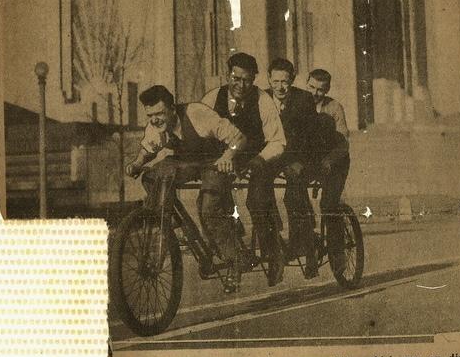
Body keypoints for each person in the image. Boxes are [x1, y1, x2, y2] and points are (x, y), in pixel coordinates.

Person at [125, 85, 247, 292]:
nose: (155, 120)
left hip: (214, 161)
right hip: (186, 162)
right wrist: (137, 164)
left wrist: (227, 157)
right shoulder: (155, 126)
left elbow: (239, 139)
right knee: (152, 177)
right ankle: (174, 224)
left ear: (172, 109)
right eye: (150, 115)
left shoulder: (197, 114)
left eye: (160, 114)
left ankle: (235, 260)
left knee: (208, 209)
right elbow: (148, 149)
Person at [202, 52, 286, 287]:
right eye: (235, 78)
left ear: (255, 79)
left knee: (257, 202)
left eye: (246, 80)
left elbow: (278, 141)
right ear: (227, 75)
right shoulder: (211, 98)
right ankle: (234, 257)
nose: (240, 85)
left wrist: (260, 160)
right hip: (227, 158)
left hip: (258, 157)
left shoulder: (263, 100)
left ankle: (273, 250)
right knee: (210, 202)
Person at [266, 58, 320, 278]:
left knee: (294, 197)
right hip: (273, 156)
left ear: (293, 80)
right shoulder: (260, 98)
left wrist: (300, 161)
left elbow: (312, 136)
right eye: (276, 81)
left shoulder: (304, 99)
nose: (280, 87)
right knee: (260, 192)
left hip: (299, 158)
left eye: (285, 82)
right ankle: (275, 245)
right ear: (269, 79)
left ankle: (310, 253)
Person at [306, 68, 350, 273]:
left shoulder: (334, 107)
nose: (315, 93)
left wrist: (329, 162)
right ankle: (307, 245)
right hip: (312, 161)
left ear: (328, 90)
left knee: (329, 204)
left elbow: (342, 144)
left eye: (321, 90)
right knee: (295, 194)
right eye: (312, 87)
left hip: (336, 161)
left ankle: (337, 251)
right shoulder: (300, 104)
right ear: (306, 84)